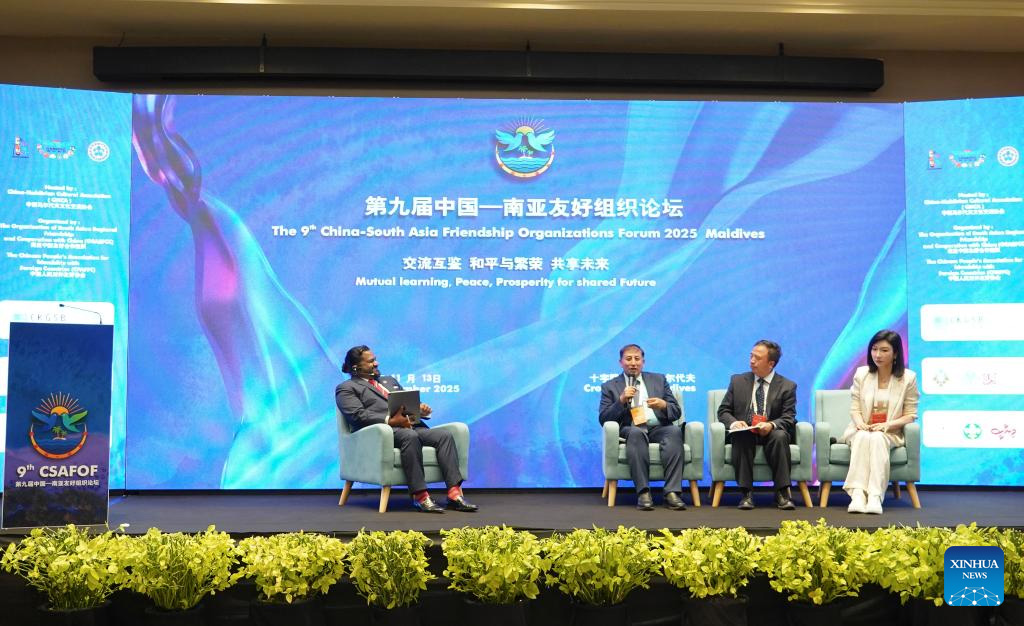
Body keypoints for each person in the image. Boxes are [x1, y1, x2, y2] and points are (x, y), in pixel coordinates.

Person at [335, 345, 477, 513]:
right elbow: (357, 416)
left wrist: (419, 410)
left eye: (375, 359)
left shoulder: (389, 381)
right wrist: (390, 421)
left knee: (444, 436)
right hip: (382, 434)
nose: (376, 363)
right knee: (409, 436)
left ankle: (454, 494)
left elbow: (405, 404)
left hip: (410, 427)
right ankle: (421, 496)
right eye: (371, 361)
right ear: (356, 368)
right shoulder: (347, 388)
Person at [598, 344, 686, 511]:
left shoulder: (659, 380)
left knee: (674, 431)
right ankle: (643, 492)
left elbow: (676, 412)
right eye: (628, 359)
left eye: (637, 359)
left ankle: (672, 492)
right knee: (636, 433)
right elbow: (604, 419)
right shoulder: (610, 386)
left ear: (643, 362)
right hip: (630, 428)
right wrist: (621, 401)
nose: (633, 363)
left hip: (657, 427)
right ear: (620, 362)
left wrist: (663, 405)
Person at [840, 330, 919, 515]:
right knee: (863, 437)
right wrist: (860, 423)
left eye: (884, 350)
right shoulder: (862, 374)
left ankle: (875, 496)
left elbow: (910, 415)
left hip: (890, 432)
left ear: (895, 353)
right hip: (862, 429)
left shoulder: (908, 378)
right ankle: (858, 495)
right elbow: (855, 409)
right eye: (874, 349)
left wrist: (887, 425)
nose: (877, 355)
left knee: (877, 438)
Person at [717, 339, 797, 510]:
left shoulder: (787, 386)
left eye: (757, 358)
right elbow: (723, 411)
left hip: (771, 431)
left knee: (780, 436)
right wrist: (734, 423)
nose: (752, 361)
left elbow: (789, 417)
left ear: (771, 363)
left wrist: (771, 425)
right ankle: (746, 493)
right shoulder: (738, 381)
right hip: (746, 430)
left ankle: (782, 493)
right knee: (741, 435)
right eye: (751, 356)